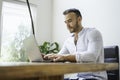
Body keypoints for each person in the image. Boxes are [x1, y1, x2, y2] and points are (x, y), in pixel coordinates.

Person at [44, 8, 107, 80]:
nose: (67, 26)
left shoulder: (93, 33)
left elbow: (92, 56)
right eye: (66, 22)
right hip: (75, 77)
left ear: (79, 19)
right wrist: (46, 57)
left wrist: (65, 57)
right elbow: (59, 56)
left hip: (93, 77)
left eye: (70, 21)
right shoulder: (68, 40)